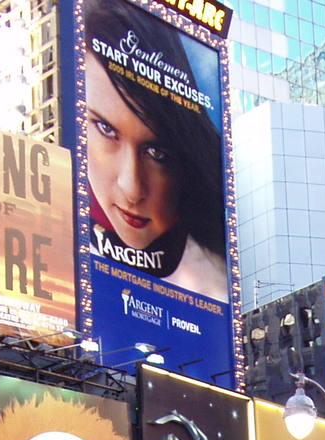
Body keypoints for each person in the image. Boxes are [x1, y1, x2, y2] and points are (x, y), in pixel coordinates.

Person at [80, 0, 227, 301]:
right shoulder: (53, 238)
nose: (131, 188)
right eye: (107, 129)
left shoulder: (216, 280)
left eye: (157, 153)